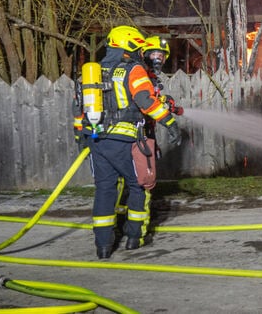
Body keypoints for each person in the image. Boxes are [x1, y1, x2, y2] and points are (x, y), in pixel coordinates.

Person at [73, 25, 183, 259]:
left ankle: (103, 247)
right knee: (140, 185)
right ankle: (134, 237)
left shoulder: (92, 72)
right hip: (126, 142)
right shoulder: (133, 69)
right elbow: (145, 101)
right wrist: (169, 122)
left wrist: (79, 136)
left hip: (97, 141)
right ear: (130, 46)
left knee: (104, 190)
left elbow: (77, 108)